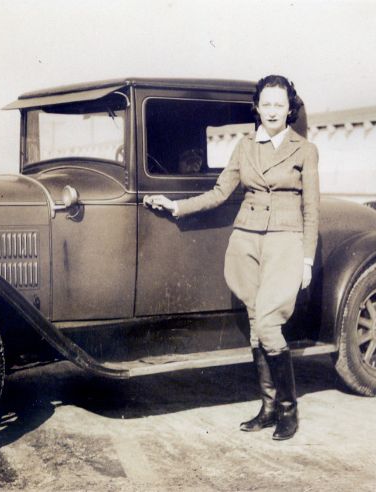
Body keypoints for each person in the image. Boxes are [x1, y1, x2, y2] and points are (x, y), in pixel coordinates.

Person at [145, 74, 319, 440]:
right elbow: (220, 193)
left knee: (270, 324)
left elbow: (311, 209)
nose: (272, 111)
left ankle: (289, 409)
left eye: (280, 104)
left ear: (290, 109)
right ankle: (268, 407)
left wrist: (306, 259)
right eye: (266, 104)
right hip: (246, 241)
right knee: (257, 324)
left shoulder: (304, 150)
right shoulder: (244, 147)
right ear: (257, 107)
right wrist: (176, 207)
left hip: (285, 241)